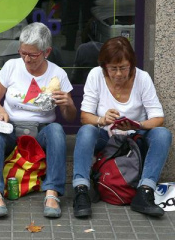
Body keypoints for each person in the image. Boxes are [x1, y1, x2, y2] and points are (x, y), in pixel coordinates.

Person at [0, 22, 77, 218]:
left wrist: (67, 103)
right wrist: (0, 110)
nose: (26, 59)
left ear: (47, 52)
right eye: (22, 53)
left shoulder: (58, 74)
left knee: (57, 130)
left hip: (41, 133)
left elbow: (70, 117)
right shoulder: (11, 66)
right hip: (11, 129)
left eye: (32, 55)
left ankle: (52, 193)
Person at [72, 36, 172, 218]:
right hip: (106, 137)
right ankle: (81, 190)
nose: (118, 74)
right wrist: (102, 120)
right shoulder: (96, 75)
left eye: (123, 68)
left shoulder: (142, 78)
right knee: (86, 131)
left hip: (134, 139)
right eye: (113, 69)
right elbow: (85, 117)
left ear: (131, 65)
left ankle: (145, 191)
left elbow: (158, 118)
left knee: (162, 134)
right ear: (104, 67)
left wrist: (138, 124)